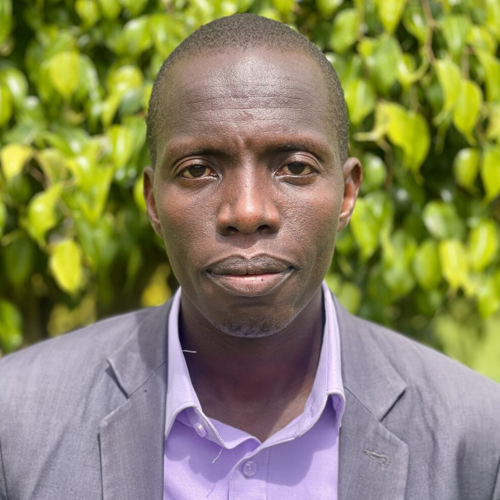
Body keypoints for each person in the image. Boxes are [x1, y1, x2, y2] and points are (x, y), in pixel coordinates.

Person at [1, 13, 499, 500]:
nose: (247, 211)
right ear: (153, 202)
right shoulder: (16, 422)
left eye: (295, 167)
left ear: (347, 194)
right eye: (198, 169)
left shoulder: (477, 438)